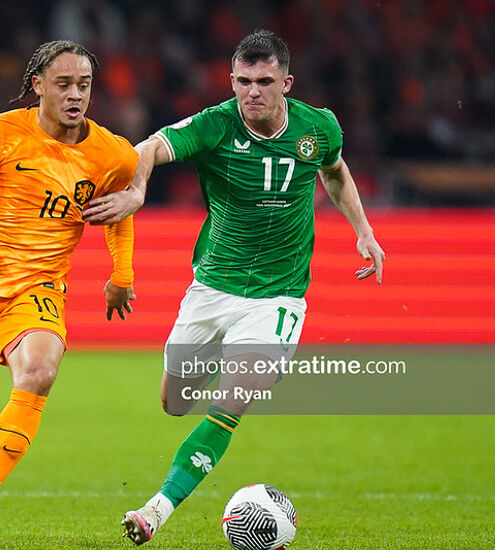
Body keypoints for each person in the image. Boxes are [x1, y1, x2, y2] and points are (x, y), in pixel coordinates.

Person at [83, 30, 386, 544]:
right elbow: (151, 147)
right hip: (212, 289)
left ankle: (154, 511)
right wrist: (137, 190)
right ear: (231, 80)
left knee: (231, 403)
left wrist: (364, 231)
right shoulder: (214, 126)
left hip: (278, 296)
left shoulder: (319, 127)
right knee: (175, 403)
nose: (252, 92)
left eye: (264, 81)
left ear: (285, 83)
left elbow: (333, 172)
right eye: (243, 81)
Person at [0, 40, 138, 541]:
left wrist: (121, 275)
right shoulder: (2, 130)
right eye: (64, 84)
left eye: (84, 85)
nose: (76, 94)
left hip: (39, 286)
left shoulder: (112, 154)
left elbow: (119, 214)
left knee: (39, 370)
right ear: (38, 86)